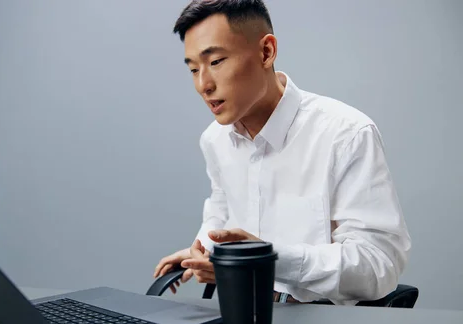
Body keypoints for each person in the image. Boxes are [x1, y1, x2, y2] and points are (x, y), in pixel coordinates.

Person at [153, 0, 411, 305]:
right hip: (238, 317)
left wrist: (266, 259)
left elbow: (378, 265)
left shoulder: (346, 134)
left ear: (266, 52)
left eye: (217, 61)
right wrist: (205, 249)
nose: (203, 84)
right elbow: (222, 209)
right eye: (194, 69)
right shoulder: (214, 140)